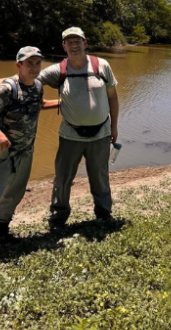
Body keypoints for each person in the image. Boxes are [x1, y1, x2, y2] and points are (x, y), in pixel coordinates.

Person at [0, 47, 61, 274]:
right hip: (1, 155)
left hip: (25, 153)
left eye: (38, 63)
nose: (35, 68)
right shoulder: (6, 87)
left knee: (13, 196)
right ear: (19, 65)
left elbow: (38, 104)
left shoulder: (37, 85)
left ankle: (2, 235)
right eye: (30, 64)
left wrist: (61, 102)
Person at [38, 27, 119, 229]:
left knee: (100, 177)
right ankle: (58, 219)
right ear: (64, 46)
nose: (74, 45)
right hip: (70, 135)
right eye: (69, 42)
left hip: (101, 133)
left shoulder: (101, 66)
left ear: (85, 43)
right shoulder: (59, 70)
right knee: (63, 179)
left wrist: (115, 126)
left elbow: (113, 97)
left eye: (77, 41)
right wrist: (8, 87)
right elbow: (31, 80)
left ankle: (103, 215)